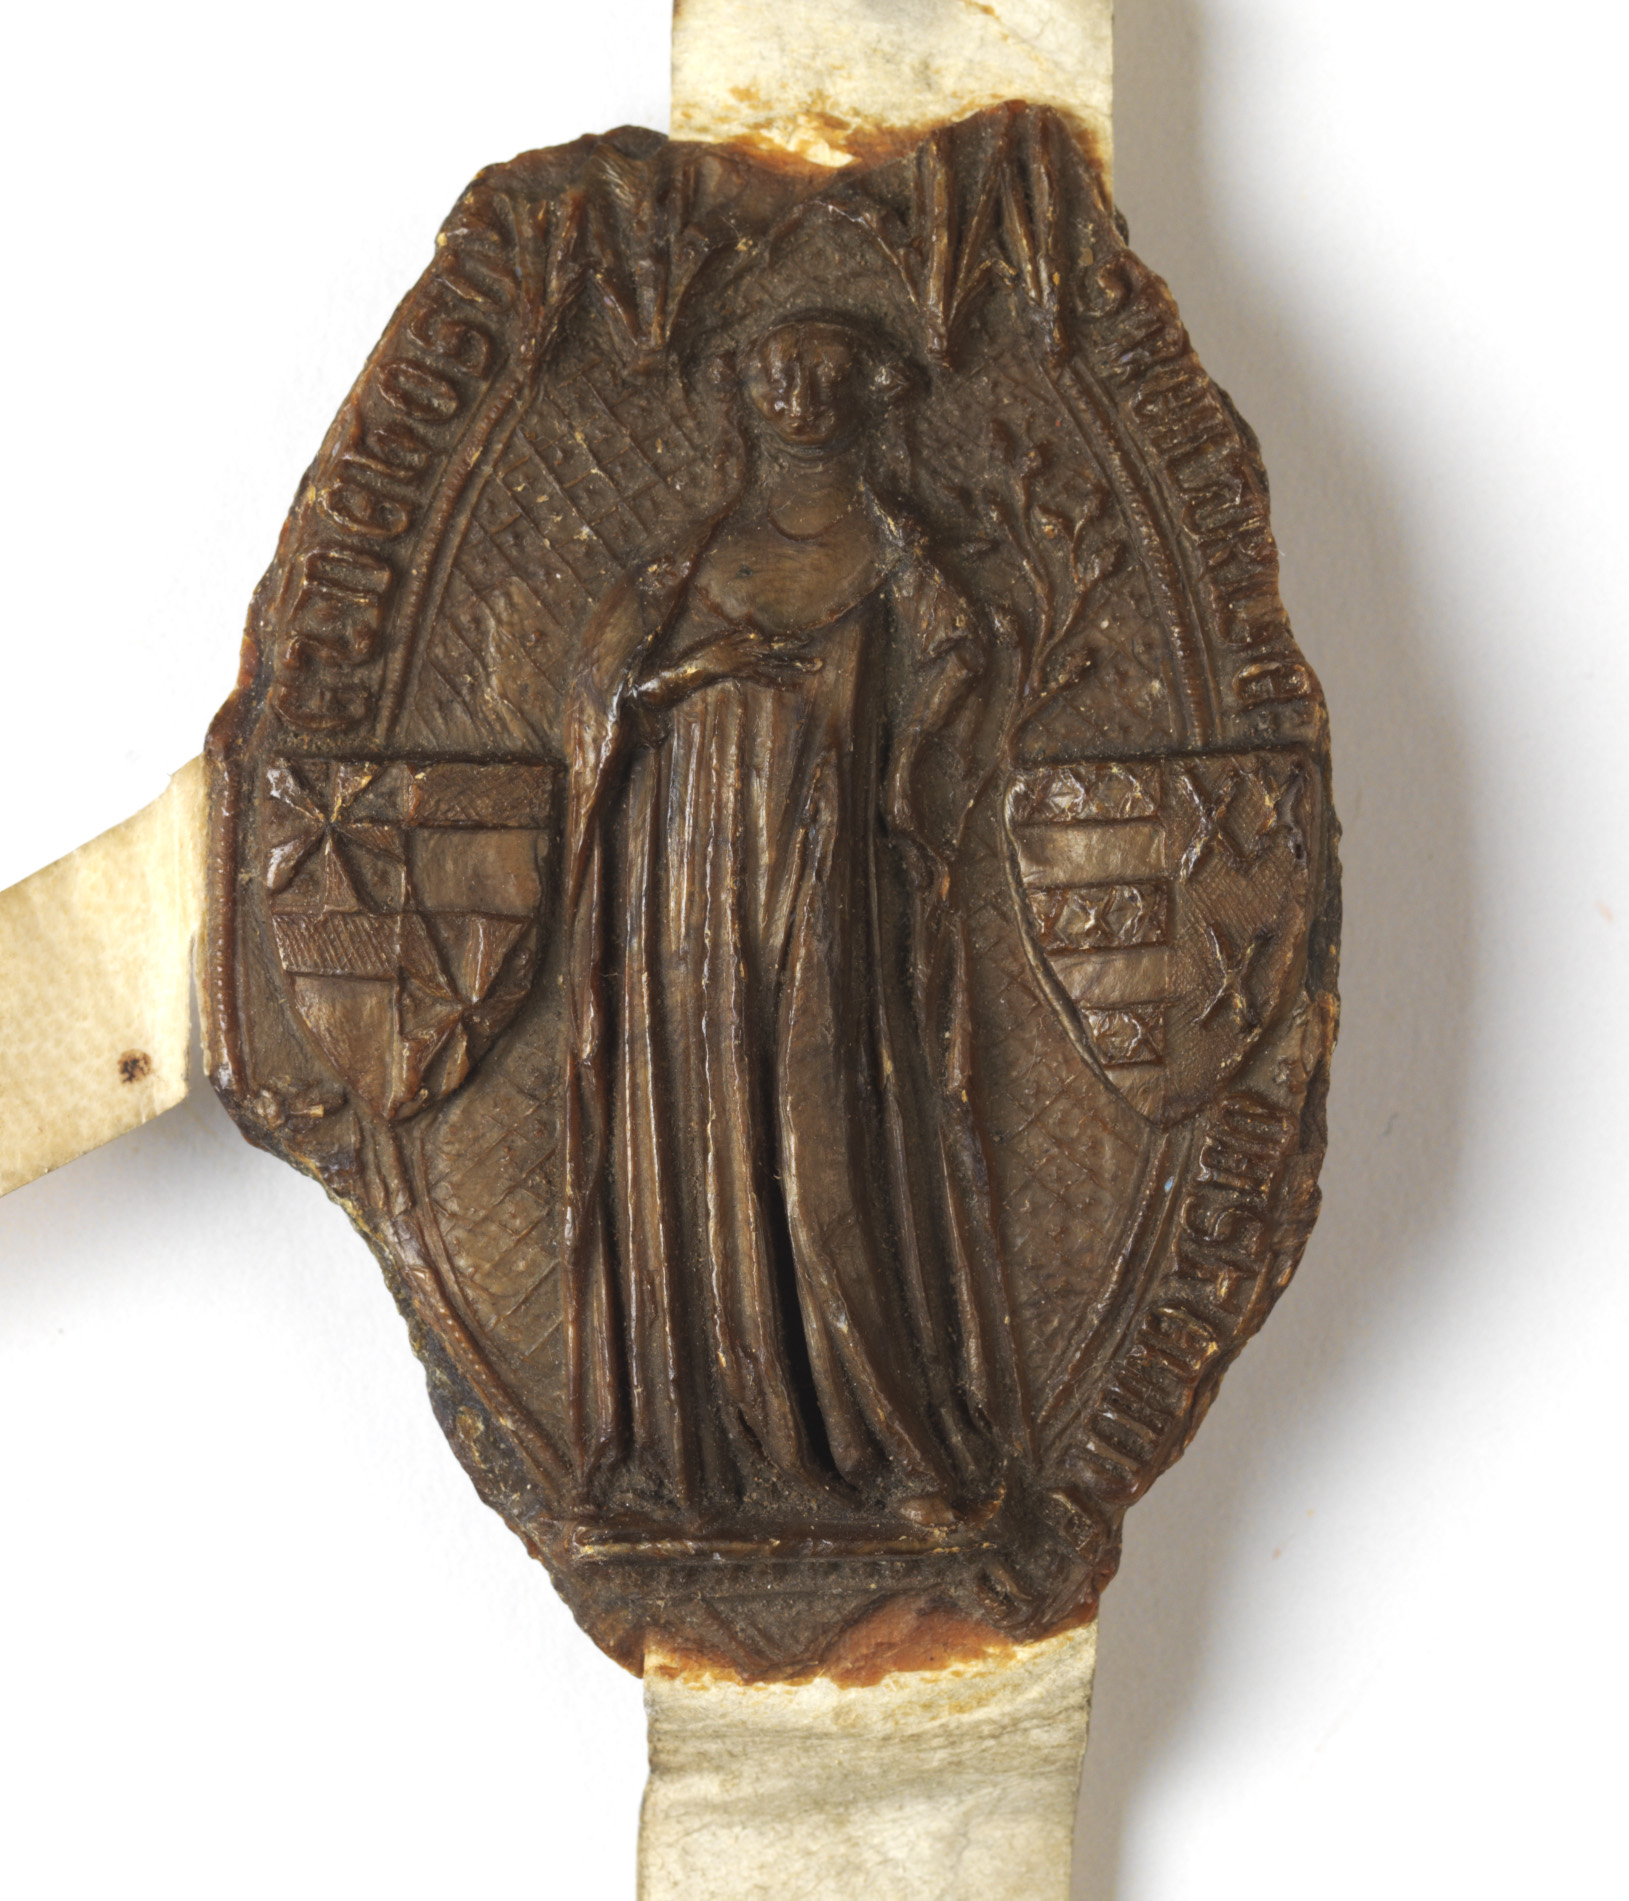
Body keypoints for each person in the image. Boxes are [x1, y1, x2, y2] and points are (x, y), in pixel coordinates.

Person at [558, 317, 1017, 1527]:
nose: (800, 396)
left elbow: (962, 646)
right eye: (777, 374)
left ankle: (892, 1439)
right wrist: (706, 675)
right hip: (687, 872)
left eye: (825, 373)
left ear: (870, 392)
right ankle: (712, 1441)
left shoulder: (887, 542)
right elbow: (606, 698)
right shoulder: (694, 553)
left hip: (815, 858)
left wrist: (909, 765)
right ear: (747, 394)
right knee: (704, 1127)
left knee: (819, 1135)